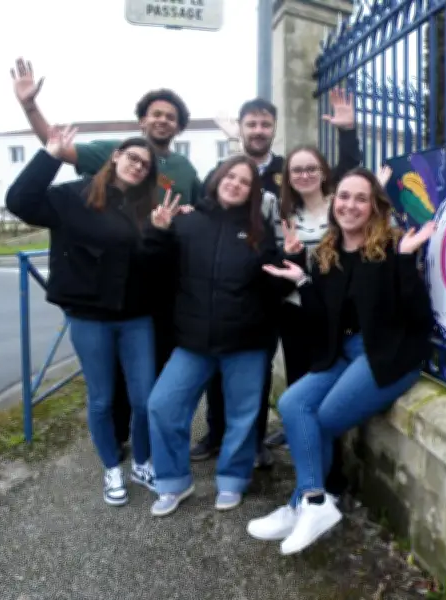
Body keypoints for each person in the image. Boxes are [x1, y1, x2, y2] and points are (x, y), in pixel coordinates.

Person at [10, 57, 198, 458]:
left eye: (171, 117)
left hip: (154, 289)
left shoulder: (183, 168)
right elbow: (57, 146)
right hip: (99, 300)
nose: (163, 120)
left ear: (179, 126)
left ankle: (149, 447)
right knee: (108, 386)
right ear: (142, 122)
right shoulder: (107, 156)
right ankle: (116, 444)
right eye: (156, 114)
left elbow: (197, 209)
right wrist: (30, 108)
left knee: (149, 378)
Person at [246, 167, 435, 554]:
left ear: (374, 206)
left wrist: (405, 261)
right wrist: (302, 280)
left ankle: (306, 503)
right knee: (292, 403)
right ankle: (312, 502)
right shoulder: (326, 253)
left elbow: (419, 318)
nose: (350, 205)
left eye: (361, 198)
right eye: (344, 197)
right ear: (334, 204)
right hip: (343, 352)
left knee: (325, 417)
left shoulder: (392, 247)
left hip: (386, 354)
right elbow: (322, 318)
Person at [192, 90, 362, 477]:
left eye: (265, 124)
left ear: (274, 128)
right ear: (240, 129)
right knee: (242, 368)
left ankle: (288, 445)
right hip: (262, 293)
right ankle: (220, 433)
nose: (258, 130)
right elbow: (215, 202)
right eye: (250, 124)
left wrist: (348, 132)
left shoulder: (291, 176)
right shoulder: (232, 172)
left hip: (307, 298)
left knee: (289, 377)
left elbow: (344, 177)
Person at [5, 127, 168, 506]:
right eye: (132, 157)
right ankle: (111, 468)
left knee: (145, 398)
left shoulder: (145, 208)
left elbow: (151, 263)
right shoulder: (72, 196)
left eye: (145, 165)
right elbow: (20, 201)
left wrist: (161, 232)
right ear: (116, 156)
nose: (137, 166)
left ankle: (141, 463)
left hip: (136, 317)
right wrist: (50, 156)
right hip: (89, 317)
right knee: (102, 399)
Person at [140, 155, 302, 517]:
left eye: (245, 182)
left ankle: (232, 478)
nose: (235, 185)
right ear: (217, 179)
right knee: (163, 406)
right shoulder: (187, 222)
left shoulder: (258, 232)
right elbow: (156, 274)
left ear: (252, 192)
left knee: (243, 416)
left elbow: (274, 288)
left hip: (246, 342)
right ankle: (173, 482)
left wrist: (293, 258)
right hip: (193, 341)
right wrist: (157, 233)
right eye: (231, 176)